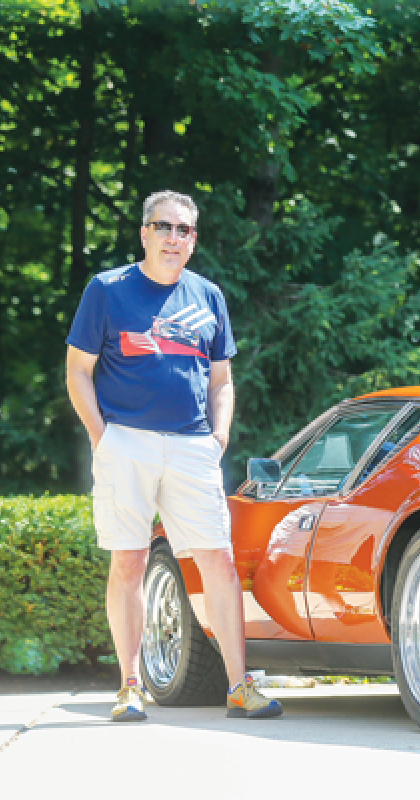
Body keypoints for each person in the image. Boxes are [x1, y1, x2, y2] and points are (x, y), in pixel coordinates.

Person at [65, 190, 281, 722]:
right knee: (129, 562)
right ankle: (130, 687)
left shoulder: (208, 295)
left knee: (219, 563)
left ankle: (239, 686)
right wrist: (102, 436)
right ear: (144, 232)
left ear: (193, 239)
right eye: (163, 226)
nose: (173, 237)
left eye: (184, 230)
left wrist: (219, 436)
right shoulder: (107, 290)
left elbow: (222, 379)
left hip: (192, 445)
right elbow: (77, 372)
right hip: (126, 442)